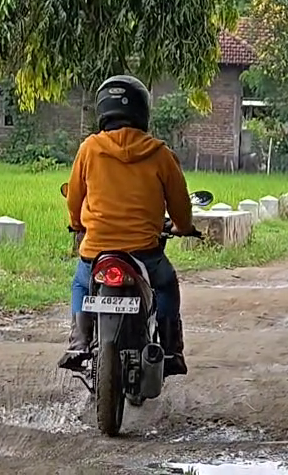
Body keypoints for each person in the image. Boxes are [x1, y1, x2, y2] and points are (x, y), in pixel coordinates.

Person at [60, 74, 194, 377]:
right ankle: (172, 350)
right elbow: (180, 204)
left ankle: (79, 342)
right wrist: (183, 227)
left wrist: (76, 223)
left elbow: (75, 198)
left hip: (98, 250)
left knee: (82, 283)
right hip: (144, 251)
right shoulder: (160, 153)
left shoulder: (89, 149)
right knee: (166, 284)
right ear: (141, 111)